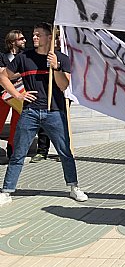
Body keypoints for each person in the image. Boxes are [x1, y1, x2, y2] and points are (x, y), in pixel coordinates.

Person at [0, 22, 88, 206]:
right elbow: (3, 76)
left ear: (50, 37)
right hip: (30, 112)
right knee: (19, 152)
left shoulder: (62, 58)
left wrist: (55, 67)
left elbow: (64, 86)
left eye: (38, 34)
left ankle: (74, 187)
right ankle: (7, 190)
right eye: (33, 34)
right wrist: (18, 94)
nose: (34, 37)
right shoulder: (24, 57)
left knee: (65, 152)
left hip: (55, 111)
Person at [0, 29, 26, 159]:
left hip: (20, 93)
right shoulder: (2, 56)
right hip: (3, 95)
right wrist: (22, 72)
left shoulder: (26, 56)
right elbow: (2, 75)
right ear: (12, 41)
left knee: (17, 123)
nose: (24, 40)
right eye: (21, 39)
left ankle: (12, 149)